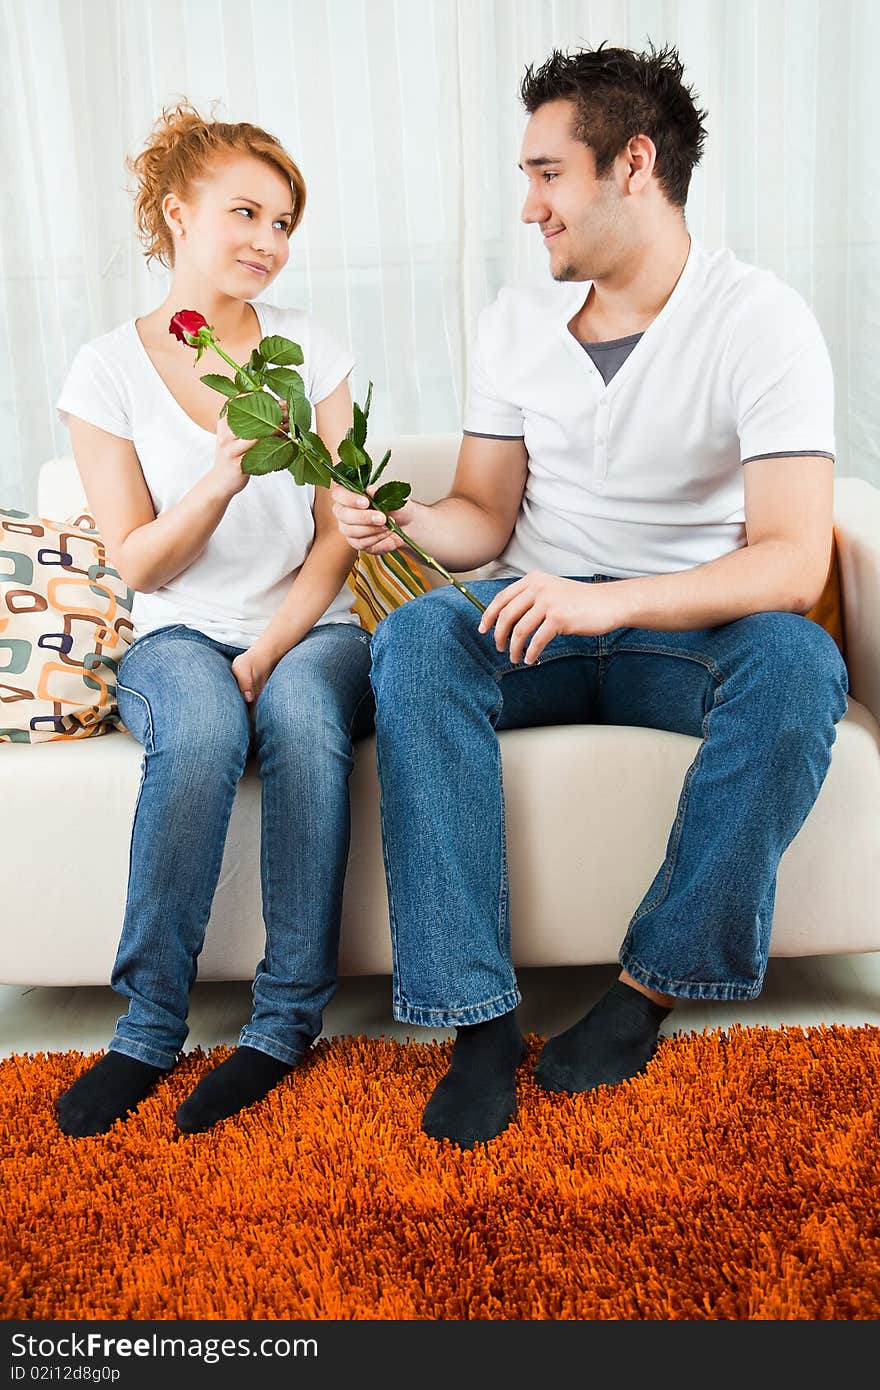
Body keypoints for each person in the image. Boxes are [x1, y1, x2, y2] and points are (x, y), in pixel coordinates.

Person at [330, 43, 849, 1150]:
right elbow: (482, 508)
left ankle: (645, 989)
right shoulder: (515, 326)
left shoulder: (761, 320)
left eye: (547, 173)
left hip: (685, 633)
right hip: (533, 619)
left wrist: (610, 601)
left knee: (801, 665)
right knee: (421, 638)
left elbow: (794, 559)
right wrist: (409, 518)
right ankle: (475, 1016)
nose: (529, 208)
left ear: (633, 164)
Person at [54, 103, 373, 1137]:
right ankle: (147, 1028)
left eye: (283, 224)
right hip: (177, 631)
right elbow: (141, 557)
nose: (268, 244)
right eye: (247, 213)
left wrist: (278, 645)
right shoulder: (105, 369)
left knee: (302, 723)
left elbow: (335, 532)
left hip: (306, 625)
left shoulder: (309, 352)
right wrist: (224, 476)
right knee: (196, 733)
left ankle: (283, 1023)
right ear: (176, 211)